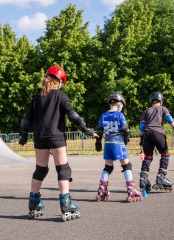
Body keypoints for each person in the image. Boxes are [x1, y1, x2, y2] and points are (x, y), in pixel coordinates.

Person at [19, 66, 97, 221]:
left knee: (40, 170)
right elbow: (74, 116)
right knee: (63, 169)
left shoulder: (36, 99)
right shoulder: (61, 96)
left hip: (40, 138)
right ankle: (66, 205)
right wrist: (87, 130)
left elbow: (25, 121)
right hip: (56, 137)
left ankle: (34, 204)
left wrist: (23, 137)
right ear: (60, 82)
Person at [95, 92, 142, 202]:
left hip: (108, 144)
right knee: (126, 165)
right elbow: (126, 130)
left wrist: (98, 142)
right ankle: (131, 190)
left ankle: (102, 190)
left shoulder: (104, 115)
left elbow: (99, 131)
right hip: (118, 143)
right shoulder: (119, 115)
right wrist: (126, 139)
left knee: (108, 167)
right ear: (120, 103)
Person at [139, 91, 174, 192]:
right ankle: (161, 178)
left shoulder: (146, 111)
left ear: (151, 101)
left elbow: (142, 127)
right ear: (160, 101)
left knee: (147, 157)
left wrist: (141, 138)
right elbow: (169, 119)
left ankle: (143, 180)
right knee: (165, 154)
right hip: (158, 133)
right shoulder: (163, 108)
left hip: (147, 134)